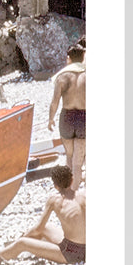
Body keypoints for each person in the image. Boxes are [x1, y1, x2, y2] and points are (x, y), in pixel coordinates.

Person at [0, 165, 85, 265]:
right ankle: (12, 249)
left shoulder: (54, 200)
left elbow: (38, 228)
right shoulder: (83, 196)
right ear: (72, 180)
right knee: (47, 227)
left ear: (55, 185)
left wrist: (23, 237)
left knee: (22, 243)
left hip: (70, 255)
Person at [48, 44, 86, 188]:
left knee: (69, 157)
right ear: (83, 57)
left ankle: (68, 191)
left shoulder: (62, 76)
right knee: (78, 162)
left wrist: (50, 119)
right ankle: (75, 194)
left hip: (67, 118)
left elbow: (54, 102)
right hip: (84, 117)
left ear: (68, 58)